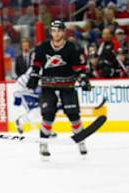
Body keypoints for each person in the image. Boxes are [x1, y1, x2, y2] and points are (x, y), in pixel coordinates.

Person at [27, 20, 91, 158]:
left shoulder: (72, 48)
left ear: (63, 32)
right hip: (48, 87)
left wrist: (84, 79)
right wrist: (34, 76)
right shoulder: (42, 47)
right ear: (50, 32)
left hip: (67, 86)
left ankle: (81, 141)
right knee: (48, 114)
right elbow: (37, 64)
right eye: (54, 31)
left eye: (59, 31)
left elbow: (78, 67)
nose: (56, 33)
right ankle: (43, 143)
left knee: (73, 114)